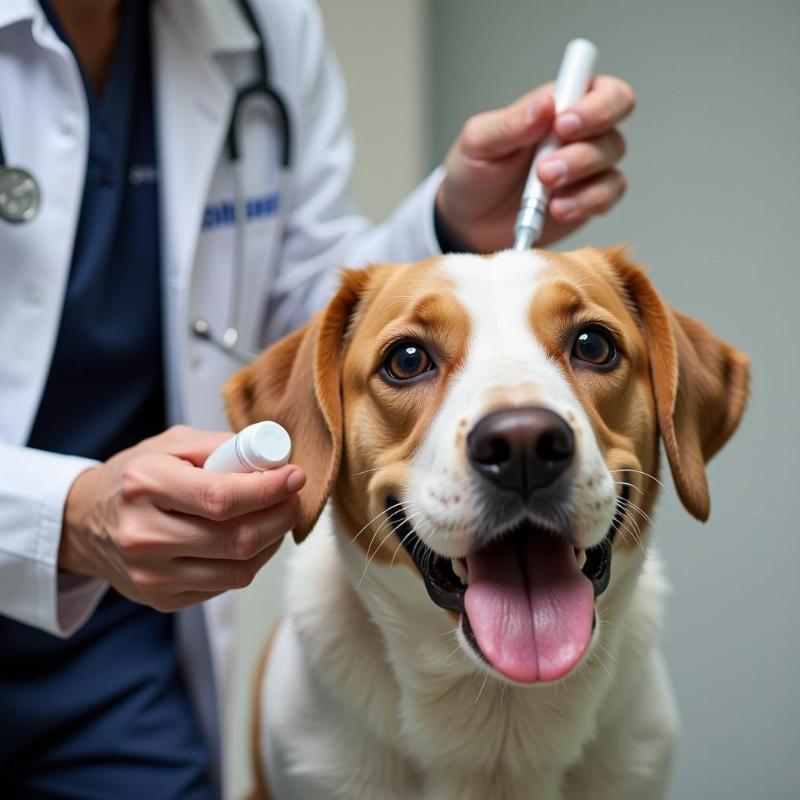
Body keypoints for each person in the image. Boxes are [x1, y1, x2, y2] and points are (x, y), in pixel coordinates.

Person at [0, 0, 635, 796]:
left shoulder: (263, 23)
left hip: (116, 634)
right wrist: (60, 515)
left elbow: (318, 333)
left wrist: (447, 223)